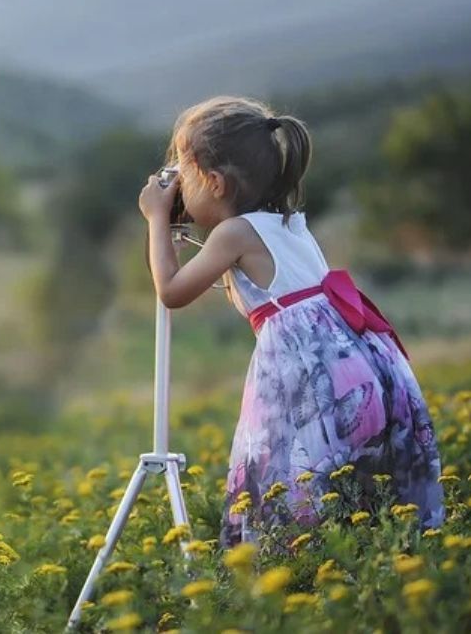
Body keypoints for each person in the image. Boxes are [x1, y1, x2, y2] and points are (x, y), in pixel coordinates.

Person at [138, 96, 443, 546]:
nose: (177, 185)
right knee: (354, 485)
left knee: (288, 477)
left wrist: (156, 219)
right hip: (363, 370)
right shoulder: (288, 223)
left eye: (184, 172)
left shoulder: (233, 234)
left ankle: (293, 568)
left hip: (308, 381)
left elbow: (171, 291)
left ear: (216, 182)